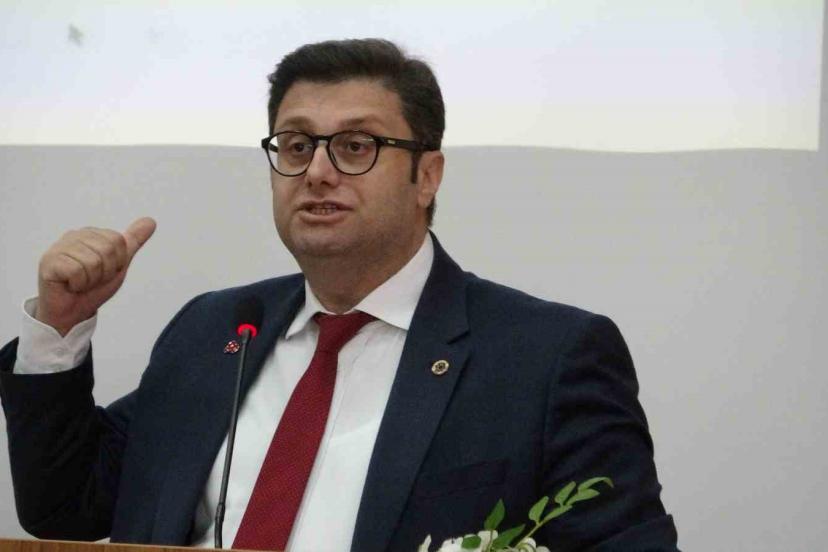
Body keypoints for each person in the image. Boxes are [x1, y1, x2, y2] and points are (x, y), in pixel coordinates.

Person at [0, 39, 679, 551]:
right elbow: (67, 508)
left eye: (355, 146)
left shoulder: (546, 357)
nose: (317, 172)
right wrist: (62, 325)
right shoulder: (215, 329)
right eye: (296, 145)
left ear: (427, 176)